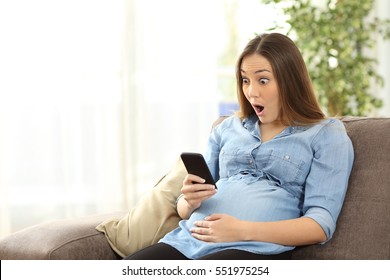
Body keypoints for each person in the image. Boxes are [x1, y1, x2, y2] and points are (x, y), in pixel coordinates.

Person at [125, 33, 354, 260]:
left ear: (290, 82)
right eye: (245, 80)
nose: (251, 91)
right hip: (186, 240)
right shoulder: (228, 128)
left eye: (263, 80)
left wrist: (241, 230)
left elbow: (319, 225)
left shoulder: (325, 134)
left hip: (252, 249)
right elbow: (184, 209)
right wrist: (189, 200)